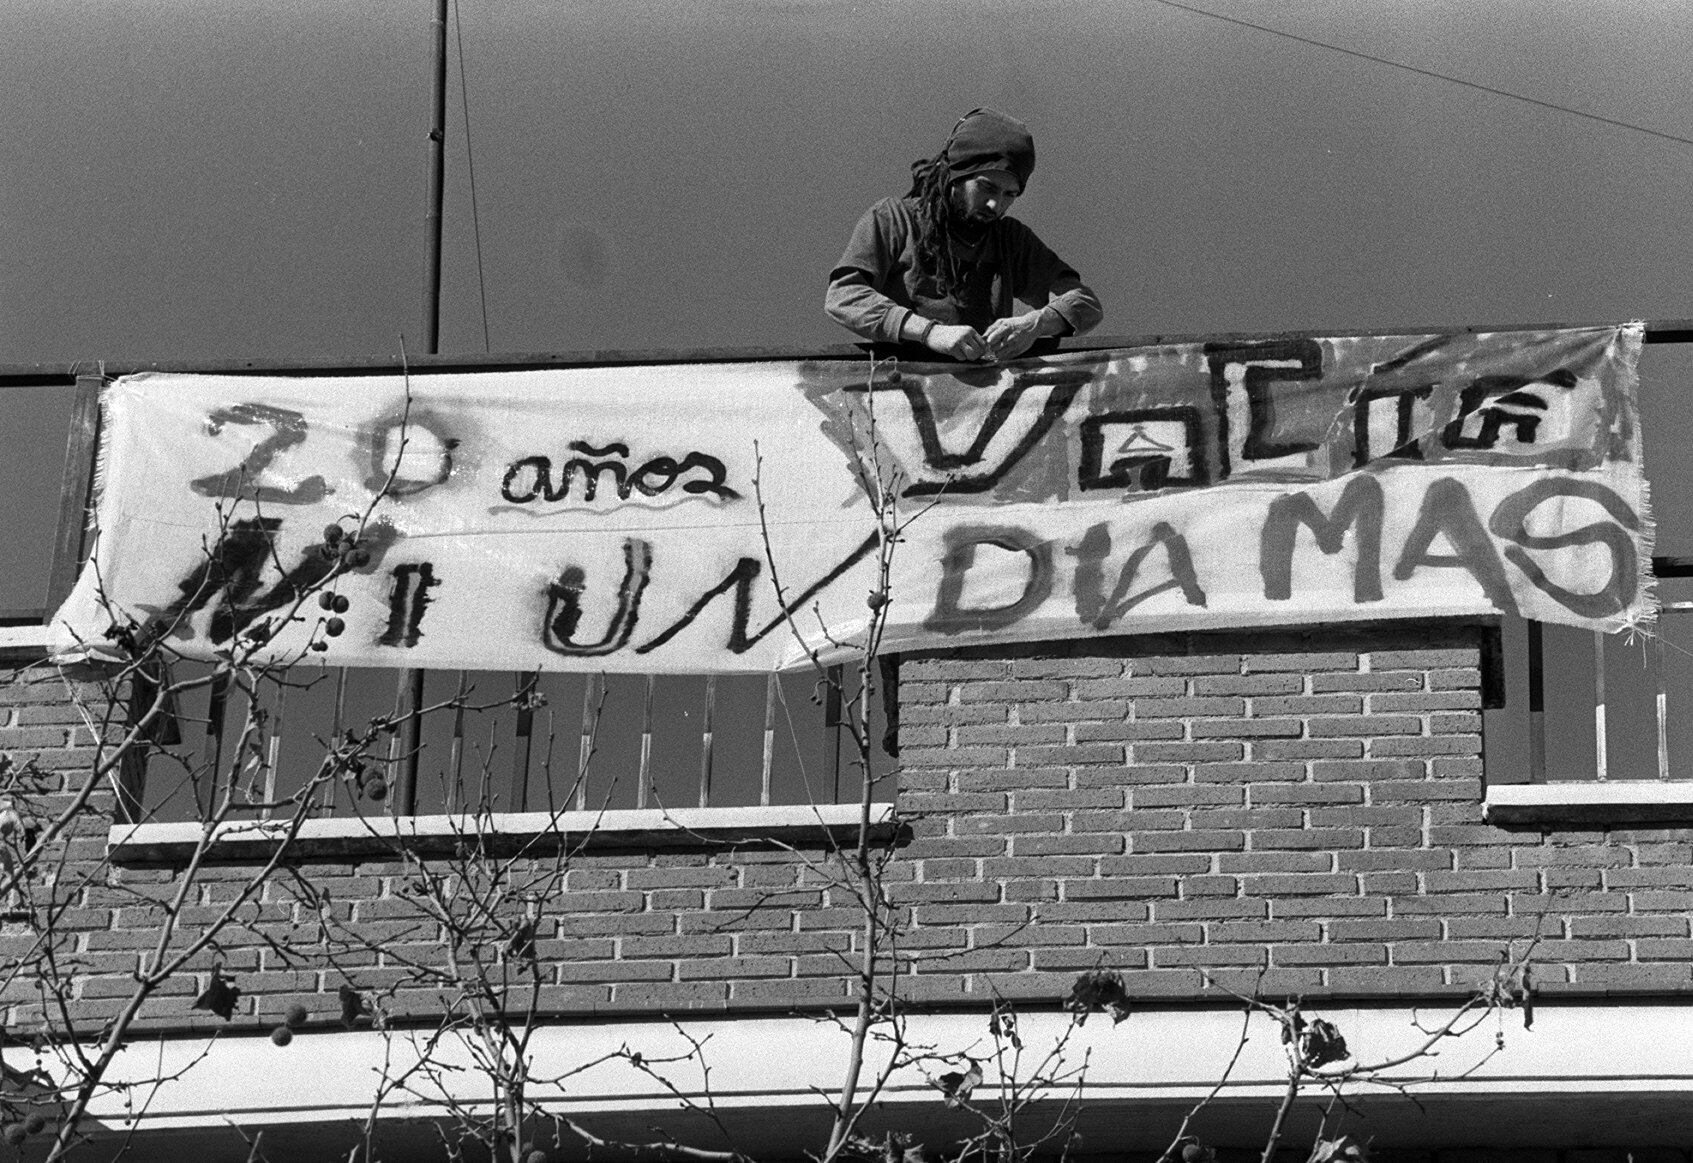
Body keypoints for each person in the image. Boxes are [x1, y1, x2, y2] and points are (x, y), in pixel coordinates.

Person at [825, 108, 1103, 363]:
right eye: (987, 187)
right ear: (956, 174)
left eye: (1010, 194)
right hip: (899, 392)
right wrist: (928, 333)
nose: (997, 205)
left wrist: (1035, 324)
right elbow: (844, 297)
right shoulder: (894, 218)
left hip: (980, 400)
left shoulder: (1010, 241)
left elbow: (1085, 304)